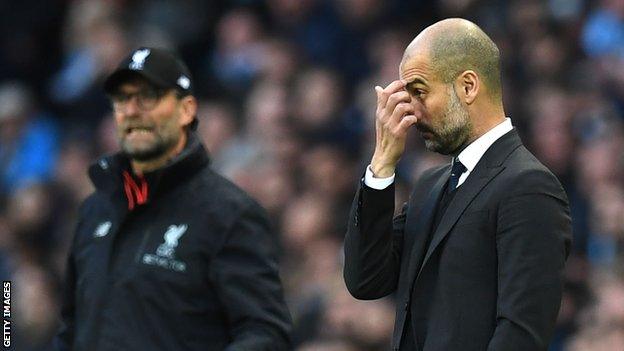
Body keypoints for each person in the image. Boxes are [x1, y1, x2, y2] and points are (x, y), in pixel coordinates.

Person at [343, 19, 571, 351]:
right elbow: (365, 280)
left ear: (468, 87)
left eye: (419, 92)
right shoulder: (430, 186)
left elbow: (521, 332)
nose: (412, 113)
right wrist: (380, 168)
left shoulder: (529, 187)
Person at [55, 47, 292, 351]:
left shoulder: (229, 213)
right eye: (122, 99)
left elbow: (265, 333)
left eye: (148, 98)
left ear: (186, 110)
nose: (131, 110)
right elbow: (70, 329)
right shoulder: (95, 210)